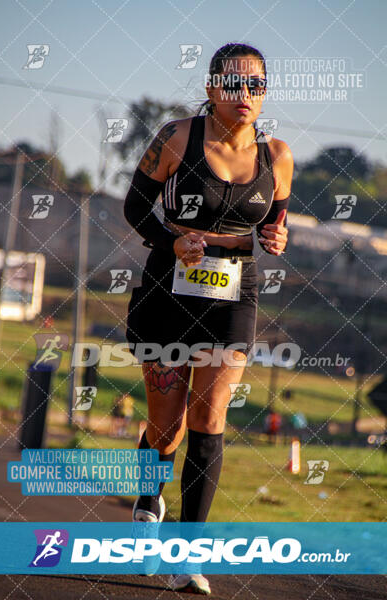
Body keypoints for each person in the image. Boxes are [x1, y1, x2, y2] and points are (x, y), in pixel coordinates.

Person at [123, 42, 293, 595]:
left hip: (234, 296)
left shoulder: (278, 156)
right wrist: (172, 242)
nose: (245, 95)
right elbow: (134, 209)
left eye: (256, 85)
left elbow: (275, 223)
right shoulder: (177, 138)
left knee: (210, 417)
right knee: (166, 427)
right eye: (234, 83)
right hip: (166, 294)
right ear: (213, 86)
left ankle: (188, 555)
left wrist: (276, 236)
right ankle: (149, 501)